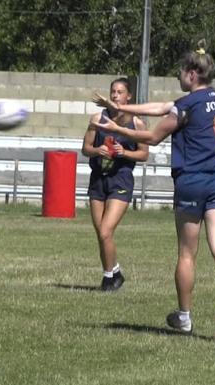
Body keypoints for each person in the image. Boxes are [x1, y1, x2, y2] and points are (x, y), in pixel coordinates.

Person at [93, 40, 215, 333]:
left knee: (187, 254)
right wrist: (119, 106)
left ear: (192, 74)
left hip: (192, 181)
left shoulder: (186, 107)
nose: (178, 76)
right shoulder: (213, 96)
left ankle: (184, 317)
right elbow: (162, 107)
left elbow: (153, 137)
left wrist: (117, 127)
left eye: (181, 72)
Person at [82, 77, 149, 291]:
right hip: (98, 178)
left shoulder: (136, 122)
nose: (115, 95)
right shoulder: (97, 118)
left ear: (128, 96)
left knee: (105, 231)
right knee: (100, 233)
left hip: (120, 178)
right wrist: (96, 150)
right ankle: (116, 272)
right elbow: (85, 148)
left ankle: (108, 278)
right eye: (113, 91)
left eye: (120, 92)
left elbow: (144, 154)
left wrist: (124, 152)